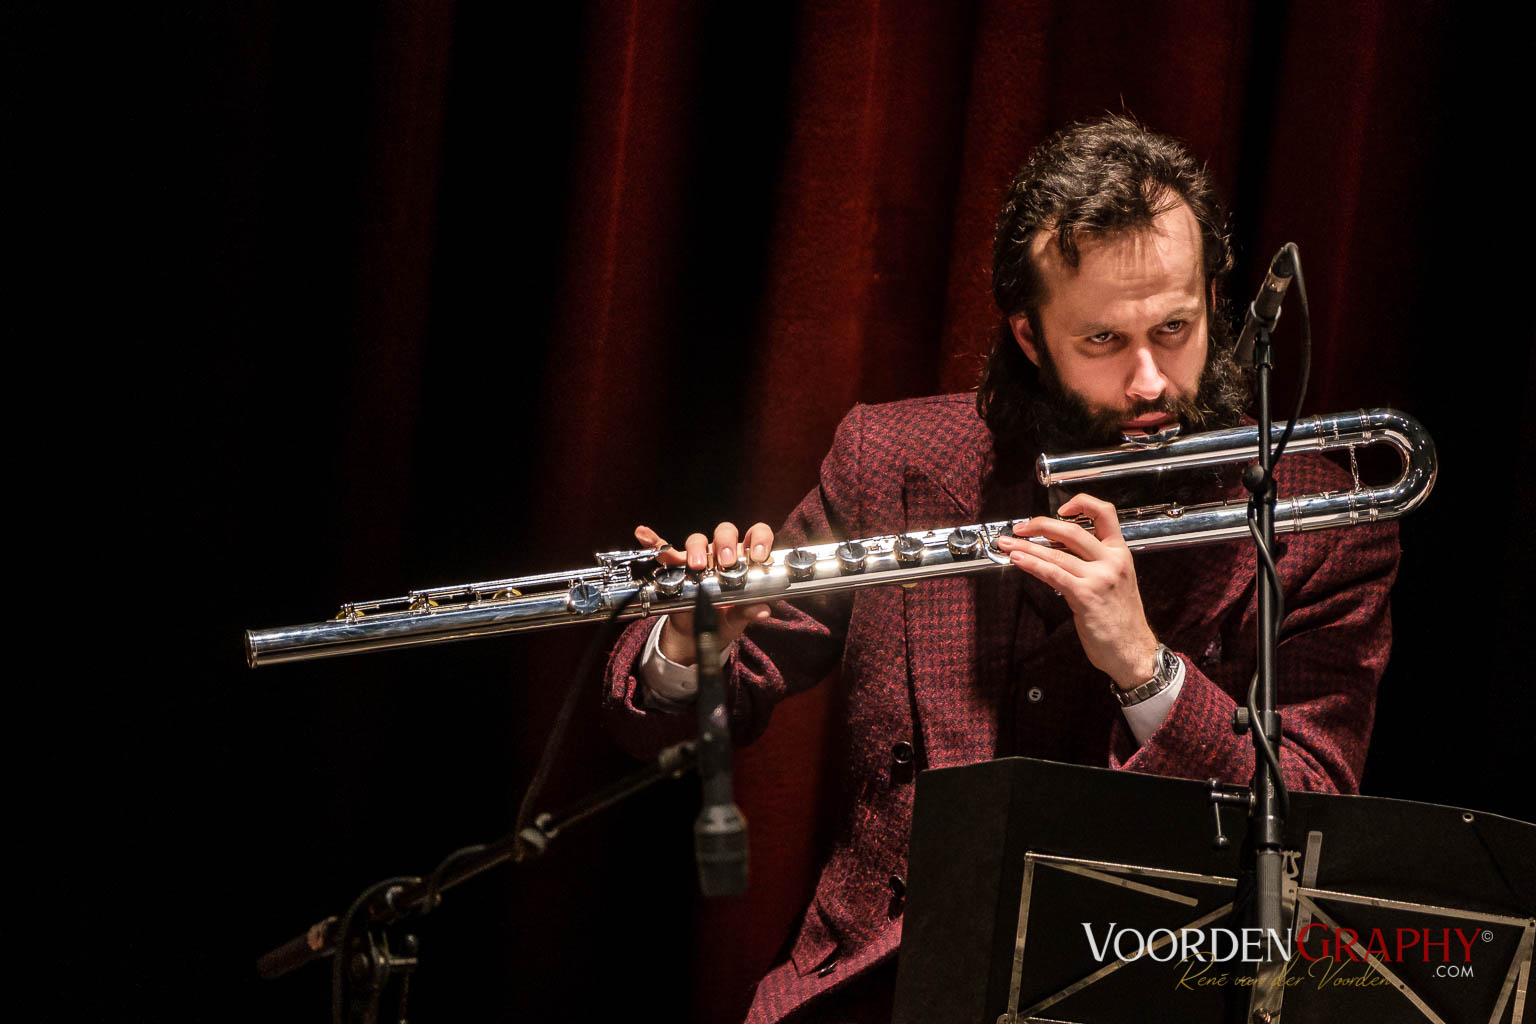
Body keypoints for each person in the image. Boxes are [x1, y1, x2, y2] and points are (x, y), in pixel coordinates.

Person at [603, 115, 1399, 1023]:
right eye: (1102, 341)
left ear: (1216, 299)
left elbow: (1311, 818)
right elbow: (683, 718)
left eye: (1175, 327)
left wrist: (1146, 669)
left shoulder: (1326, 520)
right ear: (1029, 335)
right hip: (882, 986)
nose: (1149, 381)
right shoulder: (894, 456)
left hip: (1138, 988)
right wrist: (689, 644)